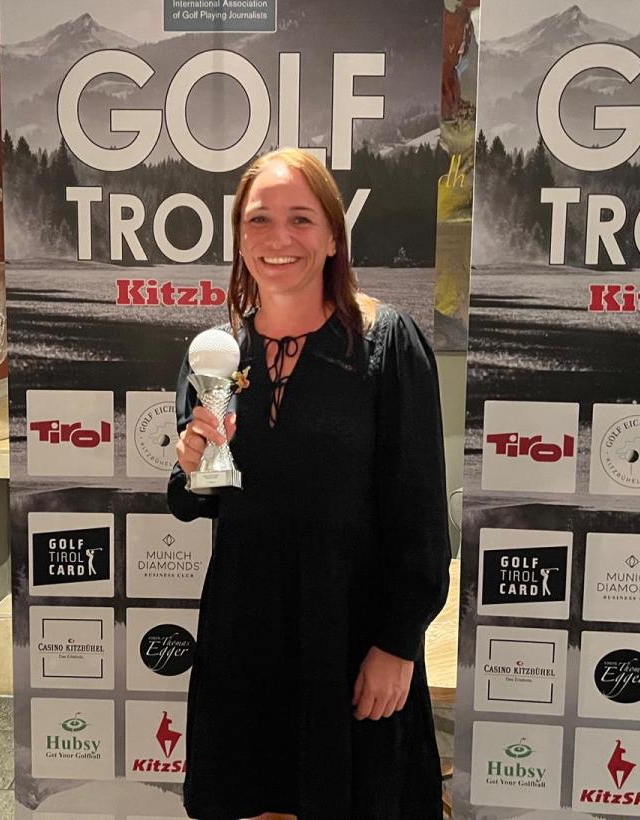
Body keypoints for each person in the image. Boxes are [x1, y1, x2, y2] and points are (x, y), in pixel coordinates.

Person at [167, 148, 451, 819]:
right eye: (259, 219)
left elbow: (419, 513)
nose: (279, 237)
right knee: (255, 802)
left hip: (352, 633)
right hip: (246, 632)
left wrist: (398, 643)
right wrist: (190, 466)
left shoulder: (386, 342)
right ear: (240, 238)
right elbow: (197, 497)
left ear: (332, 237)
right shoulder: (216, 353)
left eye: (301, 218)